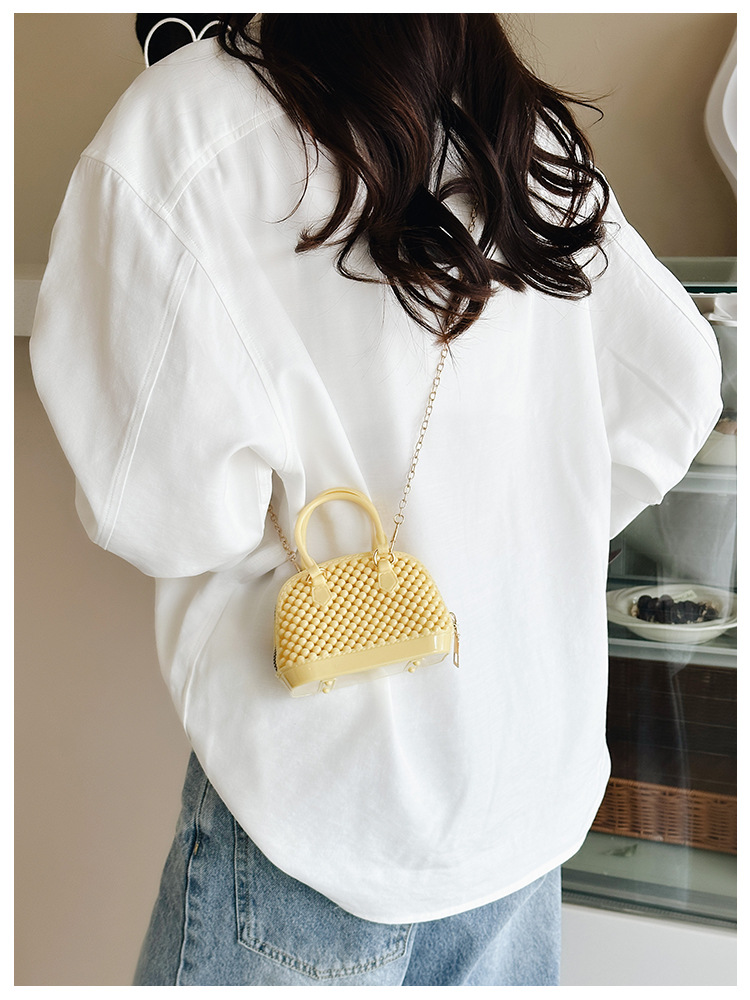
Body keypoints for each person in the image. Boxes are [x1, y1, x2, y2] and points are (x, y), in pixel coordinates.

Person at [30, 14, 722, 987]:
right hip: (522, 800)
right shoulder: (514, 125)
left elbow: (162, 513)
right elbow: (677, 382)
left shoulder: (185, 126)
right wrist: (515, 535)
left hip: (321, 809)